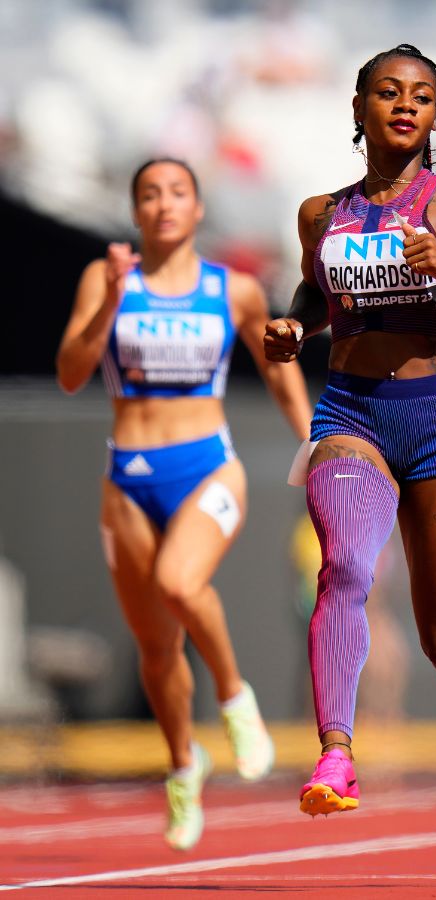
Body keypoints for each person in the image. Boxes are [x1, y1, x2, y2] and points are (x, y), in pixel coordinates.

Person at [263, 43, 436, 816]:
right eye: (387, 92)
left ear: (434, 114)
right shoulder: (321, 214)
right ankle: (336, 755)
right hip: (350, 412)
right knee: (345, 569)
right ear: (358, 109)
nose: (404, 105)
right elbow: (317, 290)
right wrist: (296, 324)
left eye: (420, 95)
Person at [56, 158, 313, 850]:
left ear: (198, 210)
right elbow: (72, 374)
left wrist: (316, 443)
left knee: (179, 583)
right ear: (135, 212)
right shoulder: (108, 281)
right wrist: (109, 302)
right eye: (149, 194)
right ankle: (181, 766)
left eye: (177, 193)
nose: (164, 205)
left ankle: (234, 699)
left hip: (206, 466)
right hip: (129, 477)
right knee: (156, 645)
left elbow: (279, 371)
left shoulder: (234, 291)